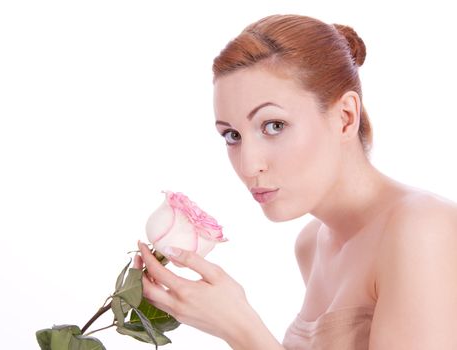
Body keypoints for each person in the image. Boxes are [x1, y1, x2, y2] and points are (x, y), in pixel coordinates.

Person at [135, 14, 457, 349]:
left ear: (345, 117)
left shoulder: (423, 228)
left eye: (273, 125)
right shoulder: (312, 245)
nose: (248, 165)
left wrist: (240, 328)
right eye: (232, 135)